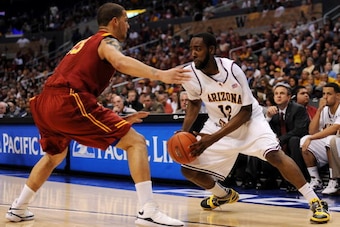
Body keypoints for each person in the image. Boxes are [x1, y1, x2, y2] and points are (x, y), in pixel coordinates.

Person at [5, 3, 190, 227]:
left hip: (46, 102)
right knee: (137, 143)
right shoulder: (106, 41)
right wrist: (161, 74)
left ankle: (18, 207)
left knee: (54, 156)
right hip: (68, 100)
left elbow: (80, 88)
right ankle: (148, 210)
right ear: (115, 21)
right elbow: (120, 62)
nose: (128, 25)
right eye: (126, 20)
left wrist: (116, 120)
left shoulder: (83, 43)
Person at [179, 33, 329, 224]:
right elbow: (193, 104)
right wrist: (185, 130)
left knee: (274, 155)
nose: (193, 53)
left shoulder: (232, 70)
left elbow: (246, 112)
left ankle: (315, 201)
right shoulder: (189, 74)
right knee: (188, 169)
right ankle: (222, 195)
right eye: (191, 49)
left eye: (198, 49)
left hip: (249, 123)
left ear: (211, 50)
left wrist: (212, 138)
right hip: (218, 125)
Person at [300, 83, 340, 195]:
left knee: (330, 139)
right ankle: (315, 179)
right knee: (304, 140)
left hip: (336, 144)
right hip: (332, 147)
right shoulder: (324, 110)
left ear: (338, 96)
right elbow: (312, 131)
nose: (325, 97)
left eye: (329, 94)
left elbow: (335, 128)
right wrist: (319, 110)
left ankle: (334, 181)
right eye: (323, 94)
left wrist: (312, 137)